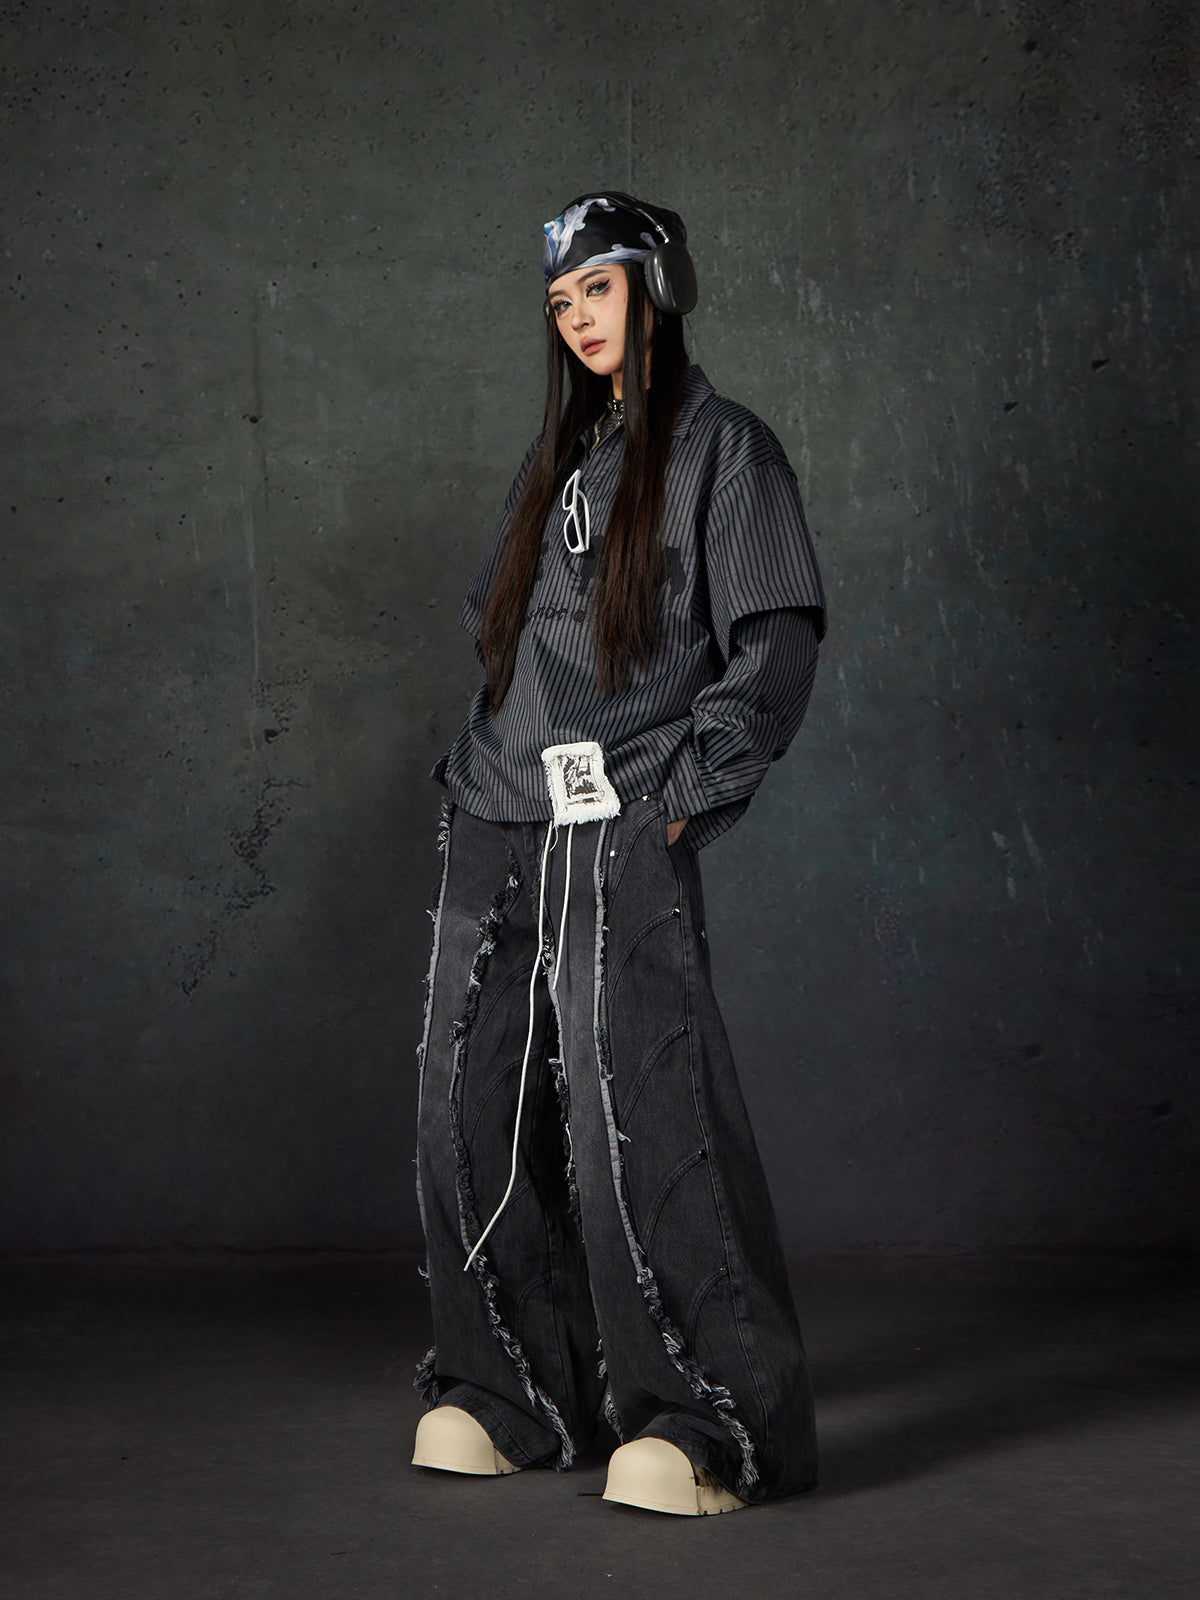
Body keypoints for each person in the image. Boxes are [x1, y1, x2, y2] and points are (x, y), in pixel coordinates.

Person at [411, 192, 826, 1515]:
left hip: (628, 807)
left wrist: (684, 796)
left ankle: (710, 1424)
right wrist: (487, 769)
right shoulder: (558, 461)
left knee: (635, 1104)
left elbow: (774, 639)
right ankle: (511, 1396)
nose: (578, 317)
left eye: (598, 287)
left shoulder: (726, 451)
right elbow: (503, 627)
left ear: (659, 285)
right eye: (560, 300)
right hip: (501, 808)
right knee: (468, 1106)